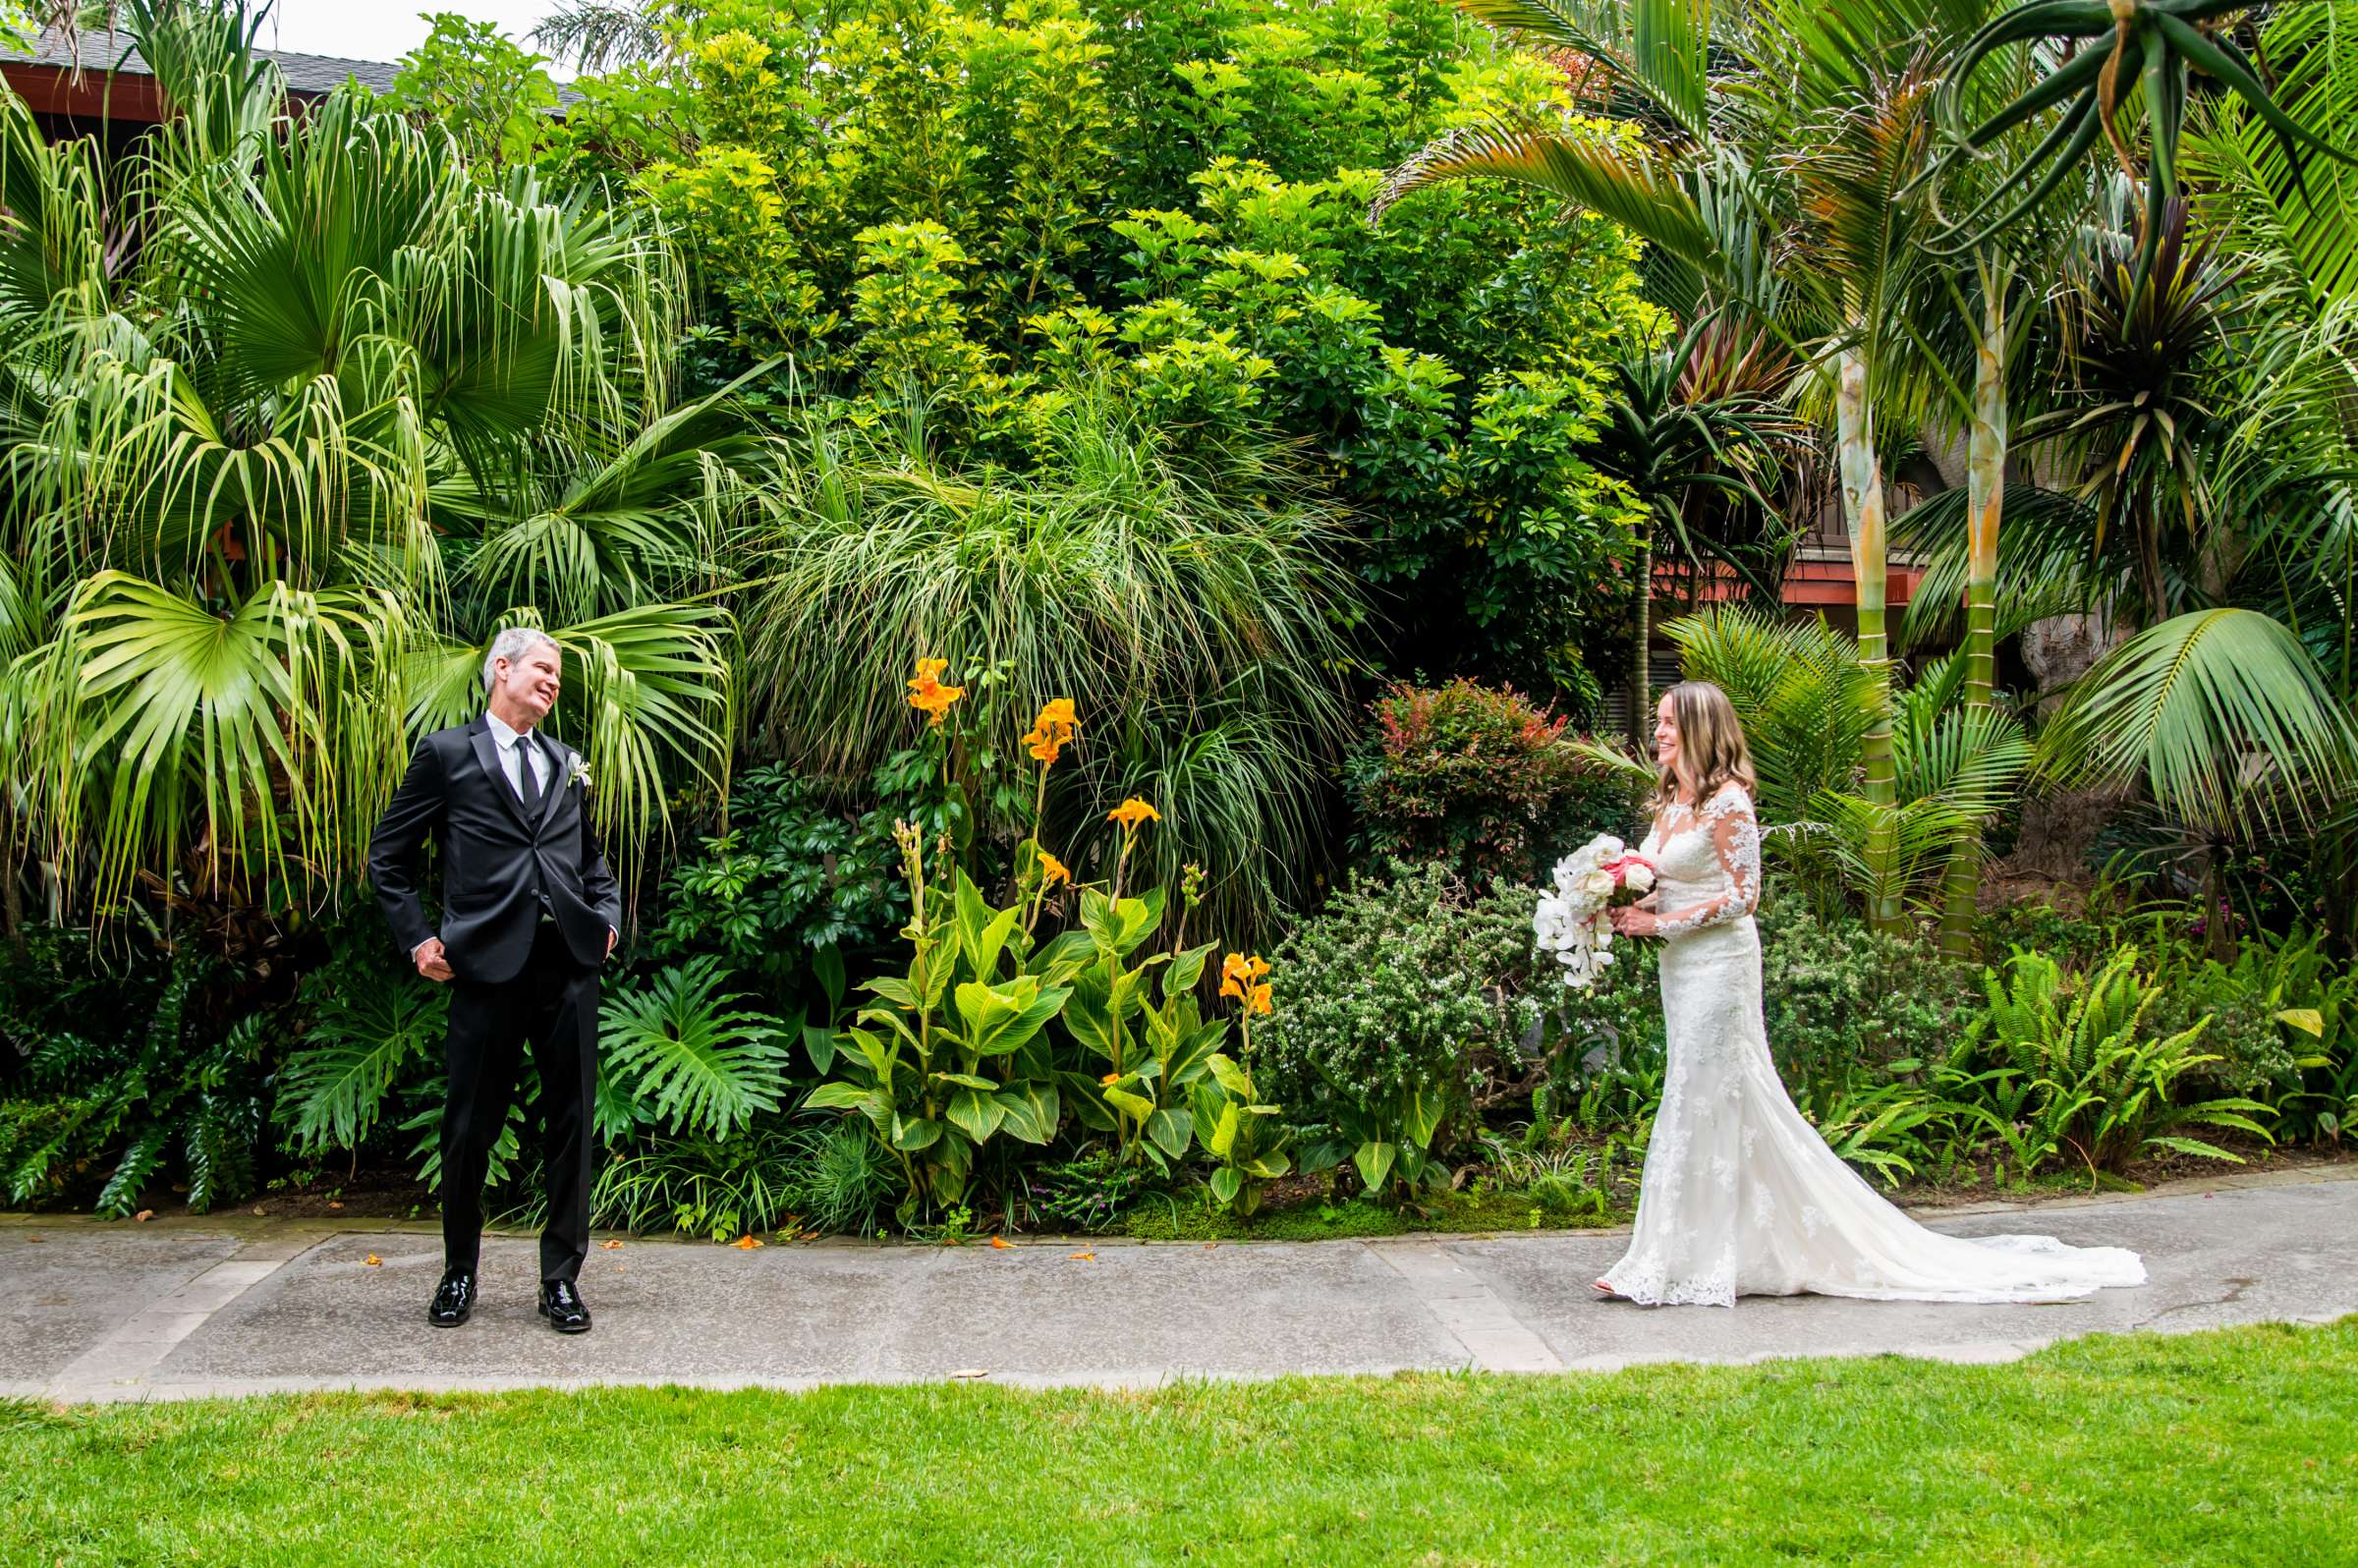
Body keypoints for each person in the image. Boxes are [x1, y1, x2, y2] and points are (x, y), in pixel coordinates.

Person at [1593, 680, 2145, 1307]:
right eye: (1658, 722)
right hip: (1679, 966)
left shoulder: (1730, 804)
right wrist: (1624, 901)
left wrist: (1657, 922)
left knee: (1700, 1091)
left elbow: (1745, 897)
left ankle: (1665, 1261)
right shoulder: (1669, 803)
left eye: (1668, 723)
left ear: (1699, 729)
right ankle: (1709, 1251)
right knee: (1711, 1094)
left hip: (1719, 966)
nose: (1658, 732)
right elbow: (1674, 879)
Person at [367, 627, 620, 1334]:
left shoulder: (567, 761)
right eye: (543, 668)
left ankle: (561, 1281)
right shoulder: (448, 755)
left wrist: (607, 920)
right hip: (483, 969)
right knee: (469, 1128)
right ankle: (458, 1274)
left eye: (559, 675)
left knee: (572, 1125)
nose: (553, 682)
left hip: (566, 966)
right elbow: (387, 857)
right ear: (500, 669)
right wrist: (419, 938)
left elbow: (590, 860)